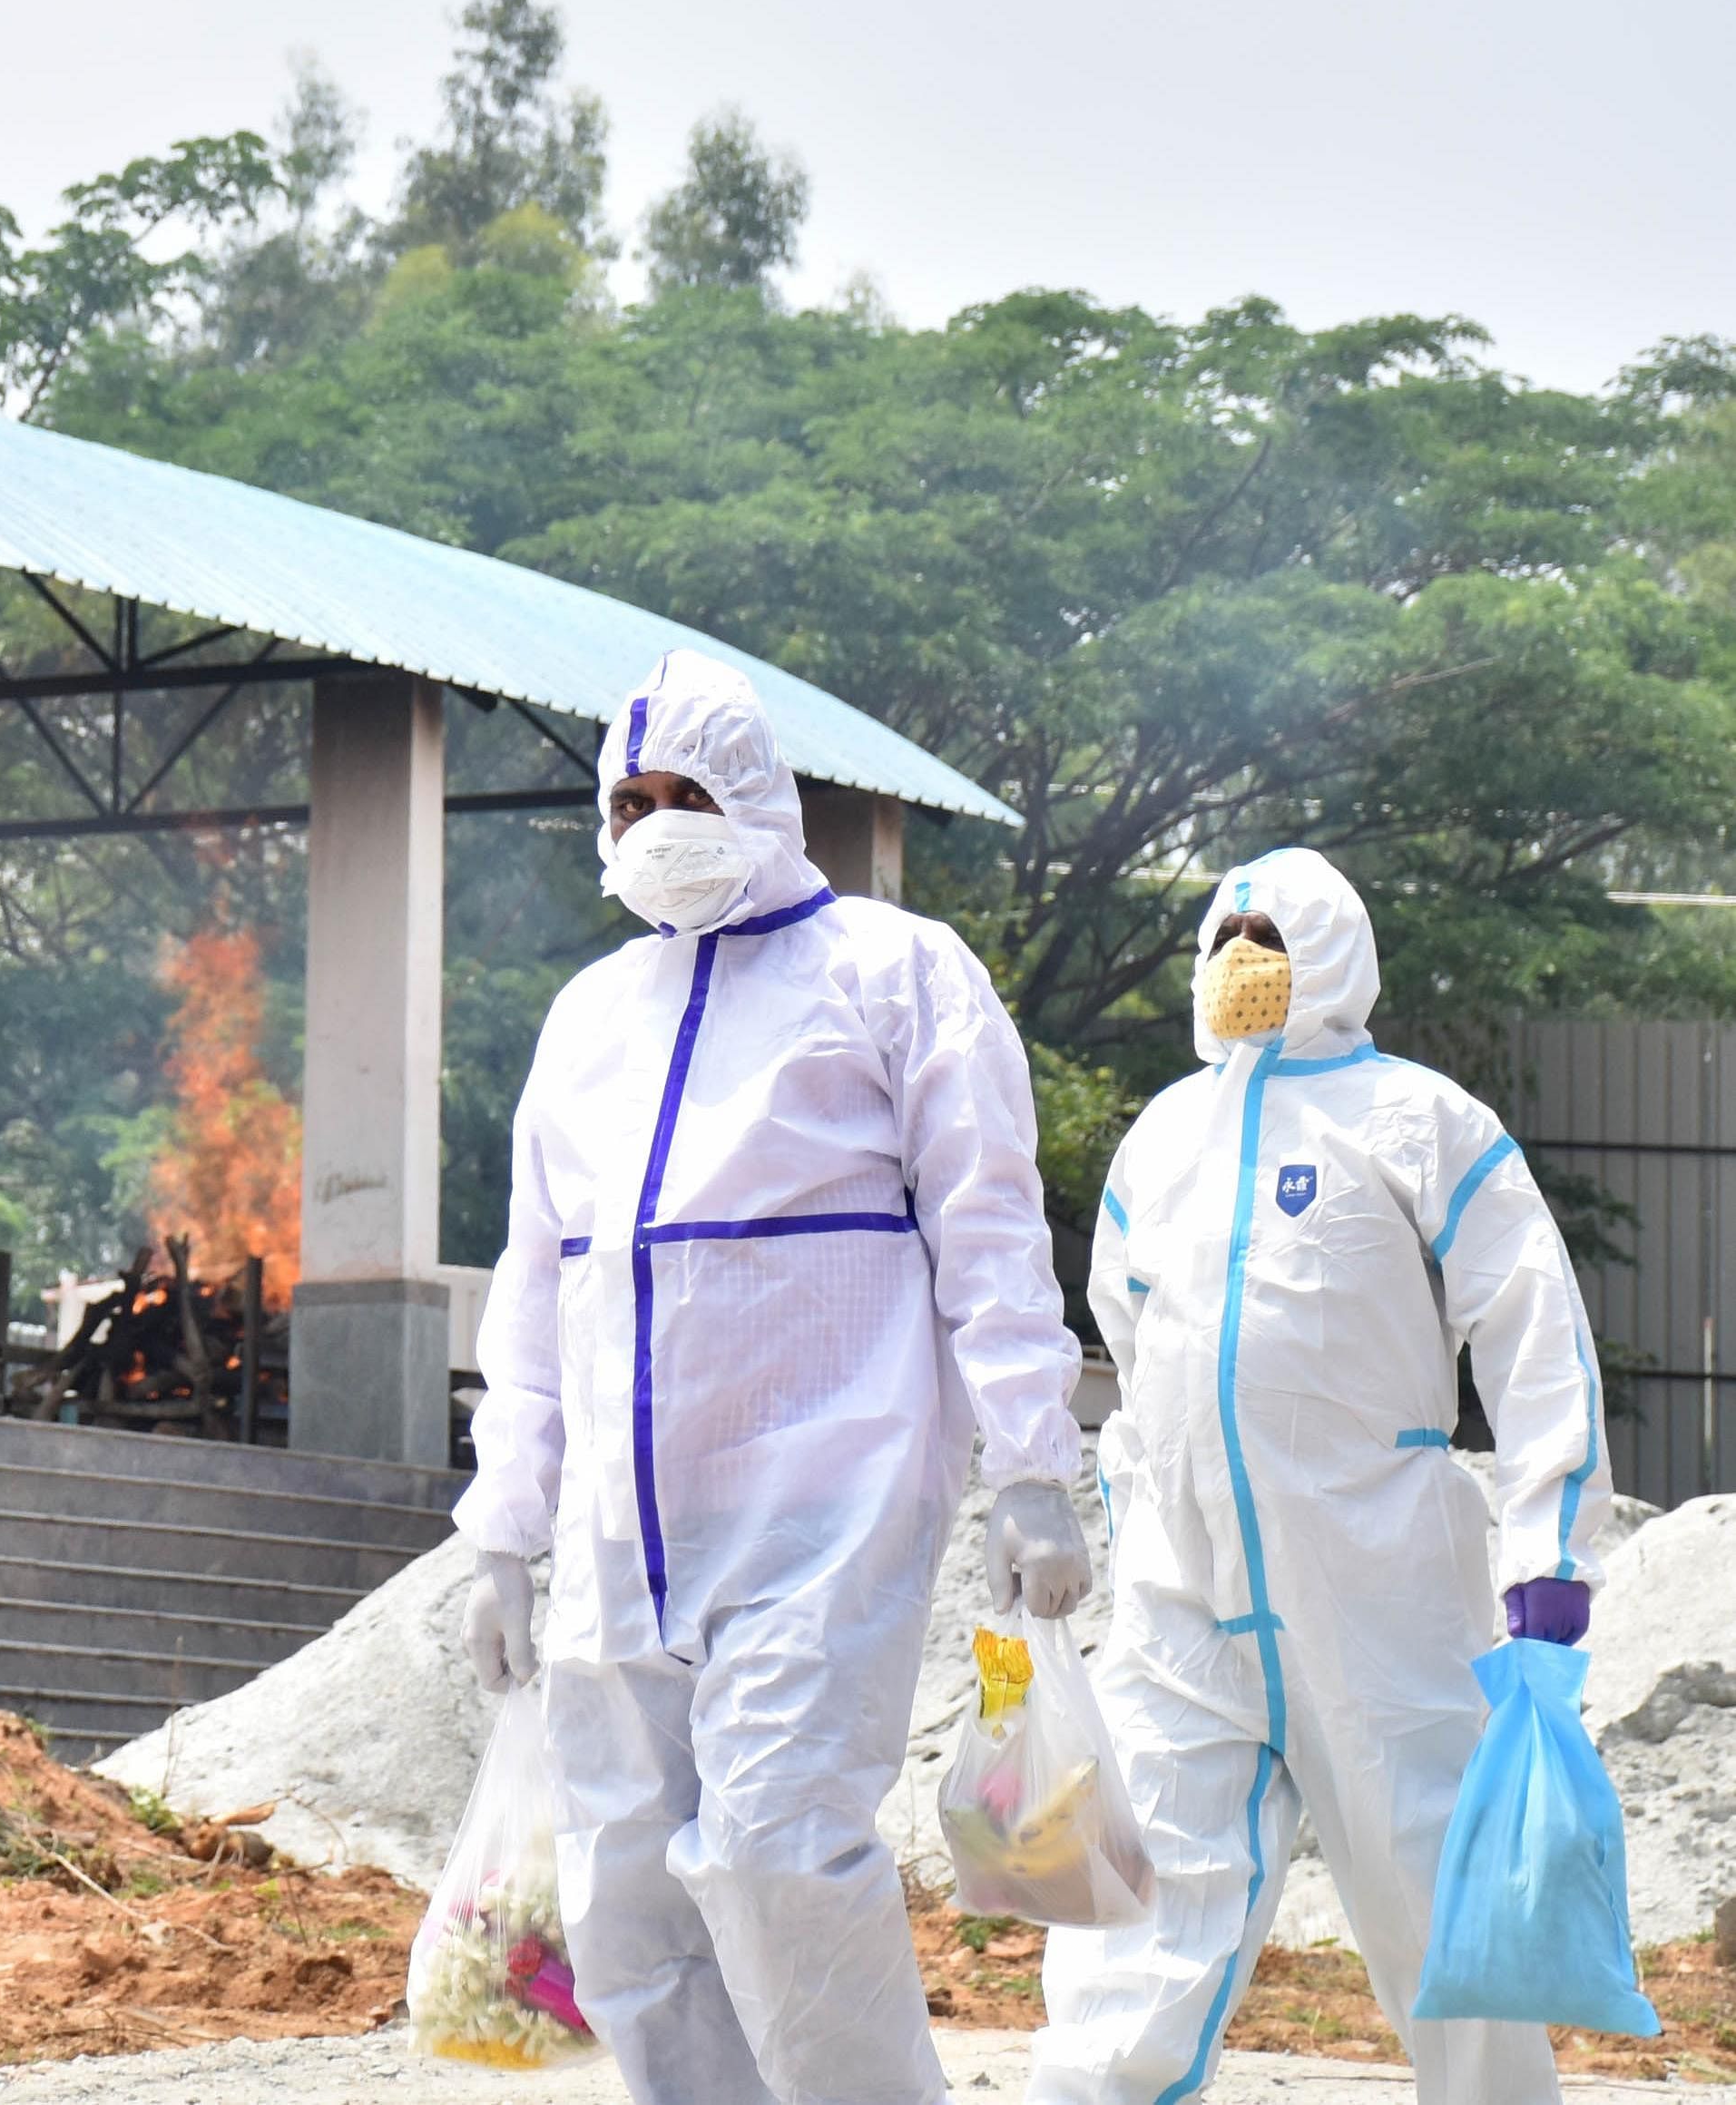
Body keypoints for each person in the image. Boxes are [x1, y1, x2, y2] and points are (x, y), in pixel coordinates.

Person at [456, 649, 1090, 2105]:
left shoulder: (893, 970)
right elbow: (537, 1288)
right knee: (628, 1907)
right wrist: (505, 1528)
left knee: (775, 1851)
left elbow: (989, 1224)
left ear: (762, 798)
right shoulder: (590, 1017)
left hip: (826, 1502)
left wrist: (1033, 1464)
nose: (659, 824)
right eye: (631, 801)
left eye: (690, 794)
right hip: (625, 1539)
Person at [1032, 847, 1607, 2104]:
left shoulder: (1425, 1120)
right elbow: (1129, 1340)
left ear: (1333, 950)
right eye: (1225, 935)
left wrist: (1548, 1550)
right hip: (1185, 1606)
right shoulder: (1164, 1136)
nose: (1244, 960)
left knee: (1439, 1921)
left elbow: (1533, 1331)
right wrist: (1136, 1513)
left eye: (1272, 938)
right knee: (1133, 1930)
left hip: (1381, 1594)